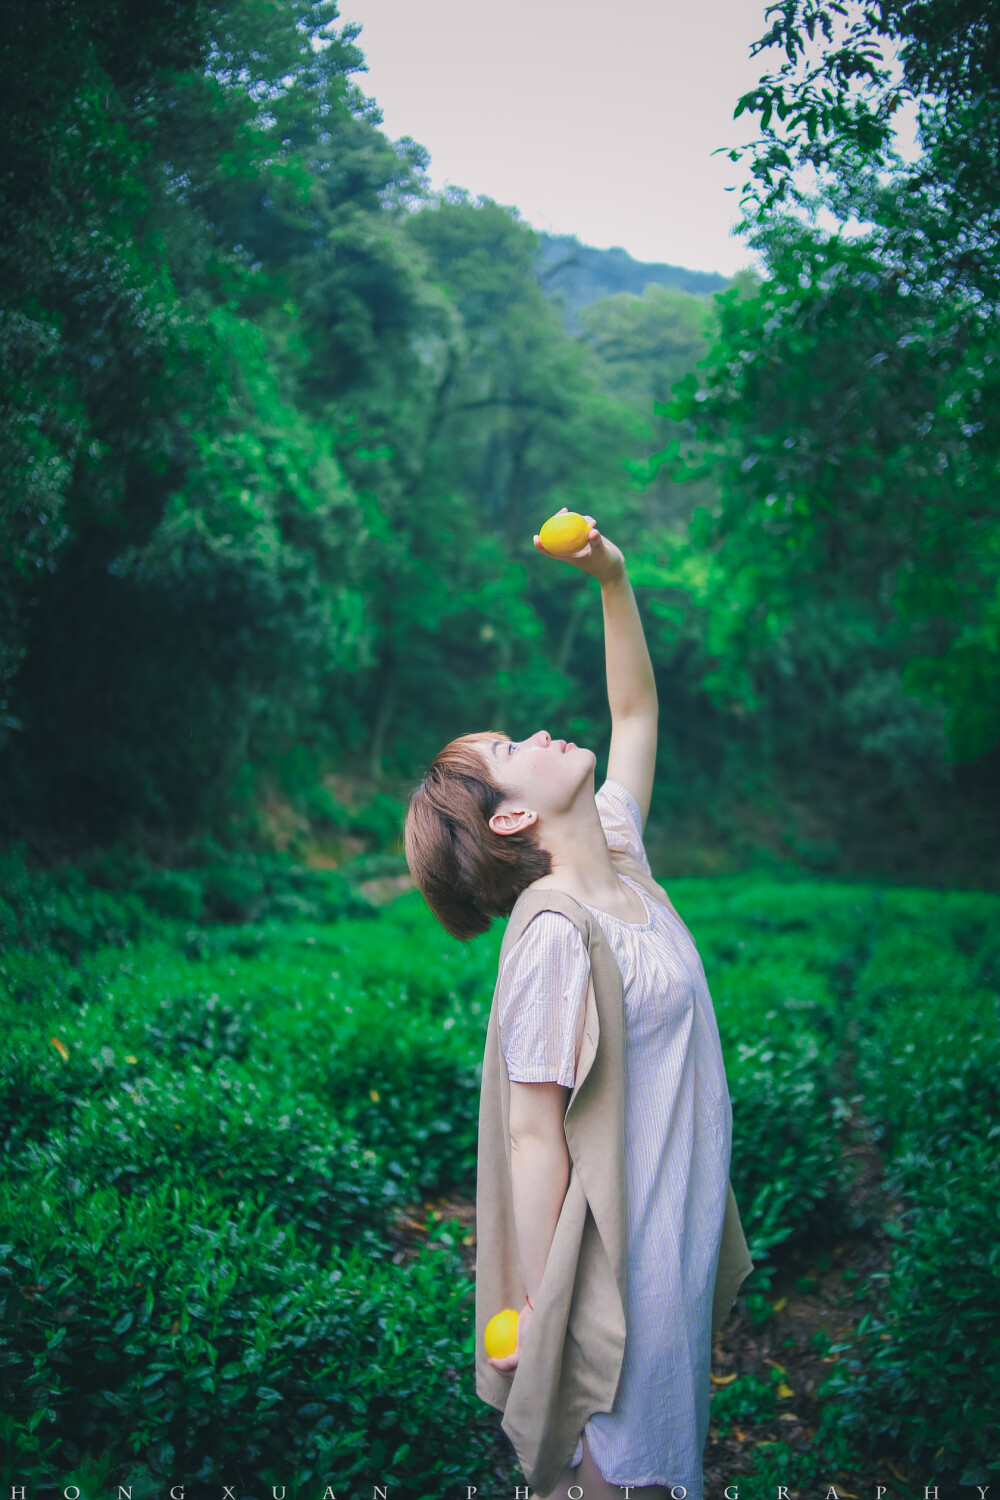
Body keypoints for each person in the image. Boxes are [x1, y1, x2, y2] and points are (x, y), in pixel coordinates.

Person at [403, 512, 741, 1500]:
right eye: (513, 743)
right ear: (510, 814)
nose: (544, 729)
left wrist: (611, 577)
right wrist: (549, 1309)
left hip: (669, 1235)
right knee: (615, 1474)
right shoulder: (552, 936)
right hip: (619, 1265)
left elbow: (633, 715)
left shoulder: (619, 853)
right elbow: (530, 1135)